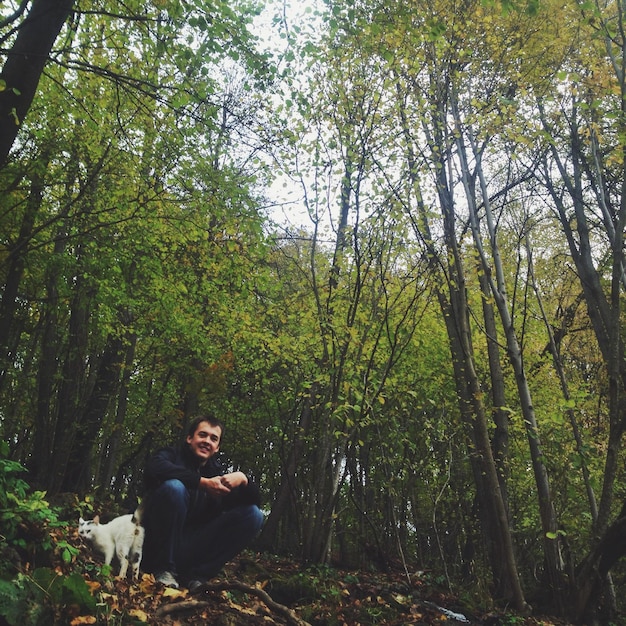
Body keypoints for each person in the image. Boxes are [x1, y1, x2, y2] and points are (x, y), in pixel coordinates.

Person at [141, 414, 264, 591]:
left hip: (189, 549)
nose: (207, 441)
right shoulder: (170, 455)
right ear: (190, 438)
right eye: (202, 435)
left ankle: (197, 576)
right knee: (174, 488)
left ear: (217, 447)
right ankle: (163, 569)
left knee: (254, 515)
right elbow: (154, 469)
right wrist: (202, 483)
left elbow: (254, 502)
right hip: (153, 547)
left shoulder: (217, 474)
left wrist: (244, 479)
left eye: (213, 439)